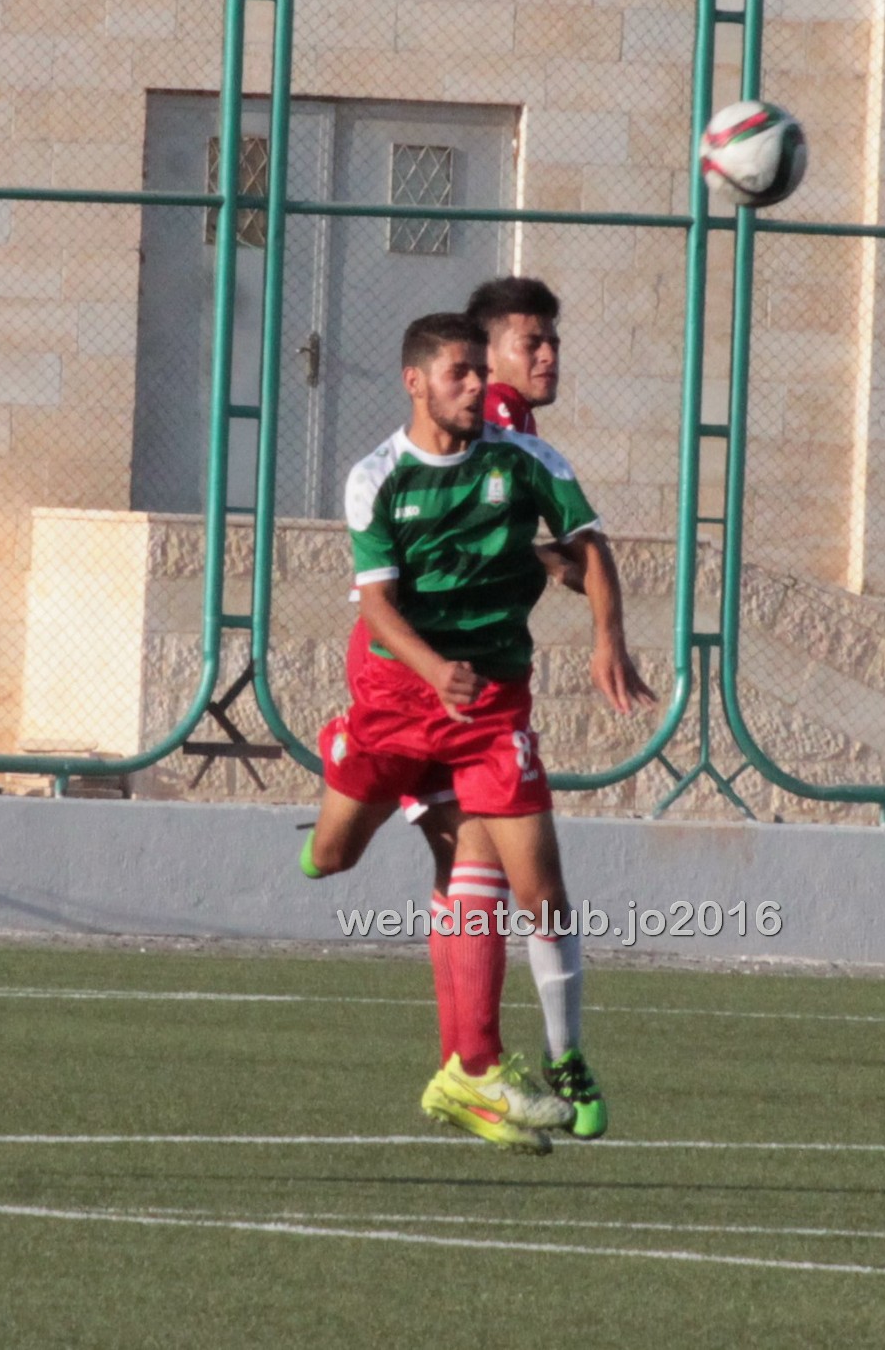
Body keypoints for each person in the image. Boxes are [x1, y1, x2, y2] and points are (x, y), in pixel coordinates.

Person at [303, 311, 653, 1154]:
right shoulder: (376, 476)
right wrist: (433, 670)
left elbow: (589, 549)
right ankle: (340, 747)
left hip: (491, 705)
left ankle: (507, 1065)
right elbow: (377, 605)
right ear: (415, 381)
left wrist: (607, 637)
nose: (475, 388)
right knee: (332, 856)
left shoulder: (525, 459)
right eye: (459, 373)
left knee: (523, 881)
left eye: (479, 373)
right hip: (397, 696)